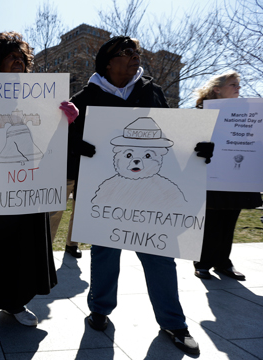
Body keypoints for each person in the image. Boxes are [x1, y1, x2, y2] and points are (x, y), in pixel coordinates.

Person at [69, 36, 212, 355]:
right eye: (127, 53)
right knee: (105, 255)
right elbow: (65, 144)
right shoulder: (84, 98)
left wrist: (198, 149)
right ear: (108, 61)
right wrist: (74, 146)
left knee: (161, 256)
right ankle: (99, 310)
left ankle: (174, 322)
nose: (136, 57)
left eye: (137, 52)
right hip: (108, 197)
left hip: (153, 197)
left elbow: (172, 136)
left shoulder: (151, 90)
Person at [0, 31, 78, 331]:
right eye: (11, 56)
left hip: (30, 187)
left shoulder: (42, 97)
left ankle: (16, 302)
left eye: (22, 57)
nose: (18, 62)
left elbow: (54, 140)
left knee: (24, 246)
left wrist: (69, 121)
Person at [193, 71, 261, 281]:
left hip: (237, 176)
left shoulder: (249, 113)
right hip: (211, 175)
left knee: (230, 220)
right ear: (217, 89)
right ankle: (203, 263)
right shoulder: (203, 112)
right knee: (210, 221)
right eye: (233, 85)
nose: (238, 89)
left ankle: (223, 263)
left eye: (238, 85)